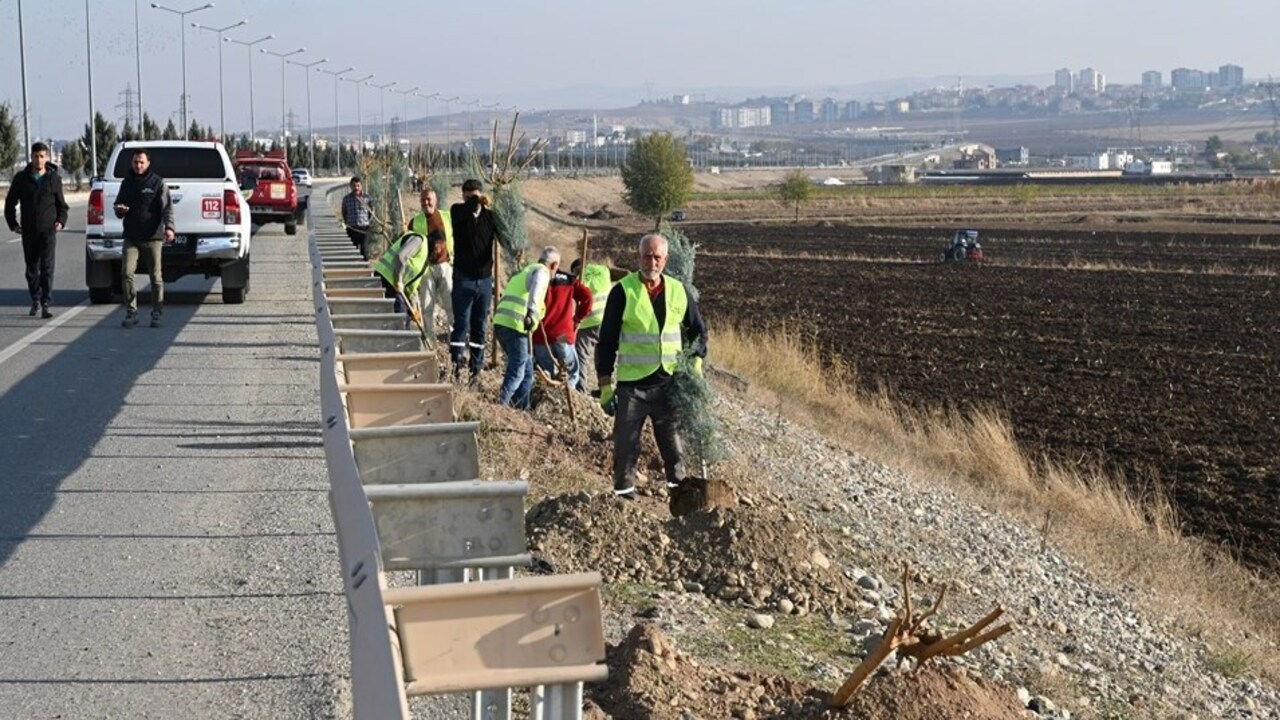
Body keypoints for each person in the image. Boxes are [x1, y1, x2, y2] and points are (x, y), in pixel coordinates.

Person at [596, 233, 708, 500]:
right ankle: (624, 499)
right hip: (632, 387)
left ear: (665, 259)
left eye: (657, 257)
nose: (652, 261)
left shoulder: (678, 291)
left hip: (667, 384)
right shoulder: (622, 291)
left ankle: (680, 498)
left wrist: (696, 361)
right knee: (626, 445)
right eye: (647, 255)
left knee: (673, 446)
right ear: (639, 257)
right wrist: (604, 384)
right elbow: (607, 340)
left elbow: (698, 331)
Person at [5, 142, 68, 319]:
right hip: (29, 231)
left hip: (48, 231)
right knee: (32, 269)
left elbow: (62, 206)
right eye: (35, 156)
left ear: (47, 157)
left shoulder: (53, 179)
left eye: (42, 156)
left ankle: (46, 302)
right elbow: (10, 204)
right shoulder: (21, 179)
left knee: (47, 267)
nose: (38, 160)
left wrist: (60, 222)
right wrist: (14, 224)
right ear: (31, 157)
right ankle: (35, 299)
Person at [114, 149, 175, 328]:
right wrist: (119, 209)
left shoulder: (157, 183)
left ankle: (157, 312)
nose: (138, 165)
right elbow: (118, 205)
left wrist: (170, 227)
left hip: (153, 237)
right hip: (131, 236)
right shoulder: (126, 183)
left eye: (141, 162)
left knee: (156, 277)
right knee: (126, 273)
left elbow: (167, 207)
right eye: (135, 162)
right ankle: (131, 311)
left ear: (148, 163)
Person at [492, 246, 557, 410]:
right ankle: (500, 406)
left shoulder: (524, 271)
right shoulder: (542, 272)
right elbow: (537, 288)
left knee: (528, 371)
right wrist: (531, 313)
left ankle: (522, 408)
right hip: (516, 325)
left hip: (501, 322)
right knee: (518, 369)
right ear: (554, 265)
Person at [448, 178, 500, 382]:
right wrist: (475, 202)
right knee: (461, 324)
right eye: (467, 196)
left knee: (480, 326)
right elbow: (466, 217)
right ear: (463, 196)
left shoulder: (490, 217)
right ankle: (456, 367)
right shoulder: (457, 211)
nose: (471, 200)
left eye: (475, 195)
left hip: (485, 280)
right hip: (464, 278)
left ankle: (475, 370)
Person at [532, 264, 592, 392]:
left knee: (545, 374)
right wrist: (578, 318)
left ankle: (547, 401)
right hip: (562, 335)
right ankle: (567, 399)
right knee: (571, 374)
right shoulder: (569, 279)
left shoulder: (535, 278)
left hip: (541, 336)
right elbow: (587, 296)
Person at [406, 187, 453, 330]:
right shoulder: (415, 222)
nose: (426, 203)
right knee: (427, 306)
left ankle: (454, 340)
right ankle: (429, 339)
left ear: (435, 200)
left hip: (445, 265)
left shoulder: (447, 217)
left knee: (450, 305)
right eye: (423, 200)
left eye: (429, 200)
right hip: (426, 269)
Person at [570, 257, 619, 390]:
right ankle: (605, 387)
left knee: (581, 355)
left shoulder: (578, 279)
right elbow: (623, 273)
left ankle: (581, 389)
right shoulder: (603, 271)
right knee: (603, 354)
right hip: (608, 320)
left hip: (589, 323)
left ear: (575, 270)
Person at [371, 230, 430, 317]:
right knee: (401, 316)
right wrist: (399, 280)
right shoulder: (419, 240)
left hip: (394, 285)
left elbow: (411, 287)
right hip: (385, 279)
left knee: (404, 314)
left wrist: (414, 307)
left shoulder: (425, 263)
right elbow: (401, 256)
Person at [341, 176, 372, 260]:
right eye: (354, 186)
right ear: (351, 186)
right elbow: (344, 212)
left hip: (364, 229)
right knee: (352, 253)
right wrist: (348, 223)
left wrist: (366, 222)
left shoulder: (367, 198)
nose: (356, 188)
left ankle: (366, 271)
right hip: (352, 229)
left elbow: (371, 213)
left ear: (361, 186)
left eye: (358, 185)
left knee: (364, 251)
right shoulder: (346, 199)